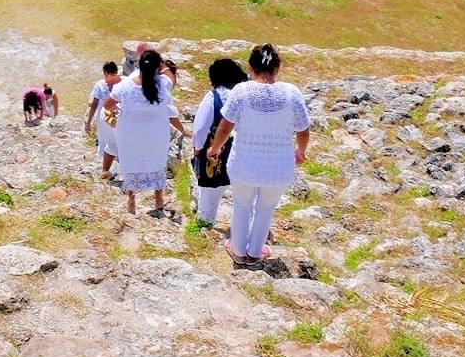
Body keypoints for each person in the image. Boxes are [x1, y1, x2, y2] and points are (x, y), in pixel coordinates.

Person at [206, 44, 311, 267]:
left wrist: (214, 148)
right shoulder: (292, 93)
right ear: (278, 67)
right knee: (265, 210)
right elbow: (303, 129)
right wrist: (300, 151)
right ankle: (255, 253)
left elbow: (225, 127)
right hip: (279, 167)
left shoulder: (241, 92)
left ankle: (239, 251)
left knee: (242, 207)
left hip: (244, 163)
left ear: (251, 67)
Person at [103, 49, 184, 216]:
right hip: (156, 135)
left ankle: (131, 200)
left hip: (130, 135)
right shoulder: (163, 84)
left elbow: (107, 105)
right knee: (157, 163)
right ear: (157, 68)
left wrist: (120, 109)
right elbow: (171, 77)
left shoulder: (125, 86)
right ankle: (158, 199)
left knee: (131, 164)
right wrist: (163, 65)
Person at [192, 58, 249, 226]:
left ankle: (205, 223)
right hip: (243, 152)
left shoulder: (213, 98)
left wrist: (197, 149)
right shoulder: (245, 97)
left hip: (216, 152)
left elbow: (200, 129)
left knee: (210, 193)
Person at [84, 61, 123, 180]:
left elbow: (94, 104)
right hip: (119, 117)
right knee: (119, 142)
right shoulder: (122, 82)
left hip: (104, 118)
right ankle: (118, 166)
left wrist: (89, 122)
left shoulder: (100, 84)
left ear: (105, 72)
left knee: (106, 143)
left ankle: (107, 169)